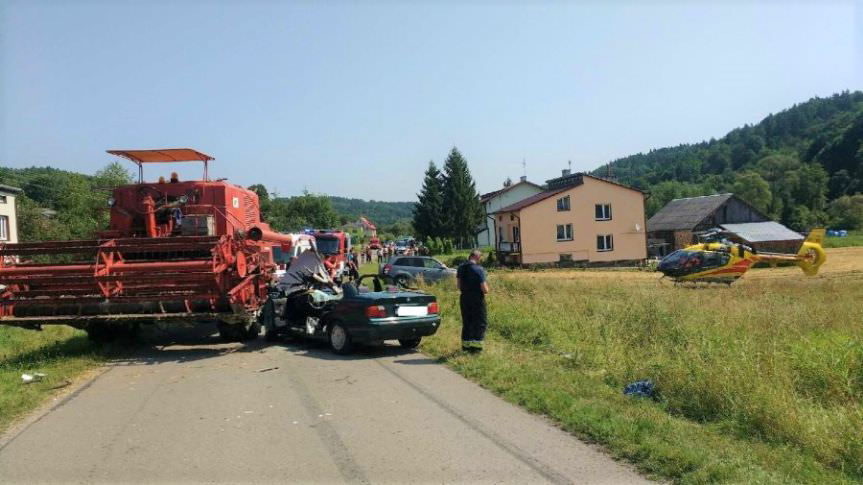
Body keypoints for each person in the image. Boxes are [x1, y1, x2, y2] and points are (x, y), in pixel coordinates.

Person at [457, 249, 489, 352]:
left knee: (467, 322)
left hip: (464, 298)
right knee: (479, 322)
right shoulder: (479, 269)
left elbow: (458, 285)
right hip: (477, 299)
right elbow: (485, 290)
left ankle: (465, 346)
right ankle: (476, 348)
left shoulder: (461, 268)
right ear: (477, 257)